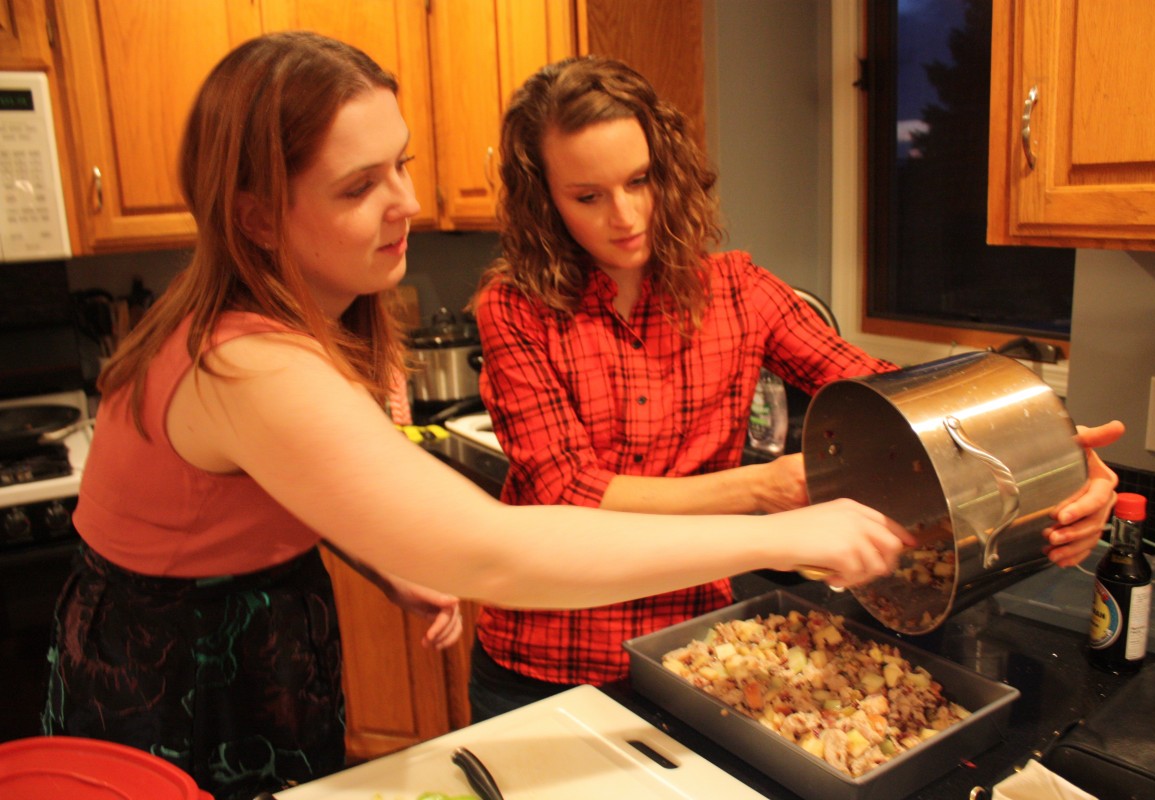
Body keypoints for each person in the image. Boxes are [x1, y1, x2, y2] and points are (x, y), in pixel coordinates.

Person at [41, 33, 924, 800]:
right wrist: (779, 528)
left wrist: (1039, 438)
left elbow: (291, 479)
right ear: (259, 216)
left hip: (264, 645)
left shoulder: (303, 319)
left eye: (403, 164)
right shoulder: (246, 361)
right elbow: (494, 548)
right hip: (180, 684)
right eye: (359, 187)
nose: (409, 205)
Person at [468, 55, 1125, 722]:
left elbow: (889, 395)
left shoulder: (736, 290)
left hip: (686, 653)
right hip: (549, 659)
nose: (627, 214)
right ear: (544, 199)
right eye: (588, 196)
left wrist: (1059, 465)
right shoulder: (515, 308)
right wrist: (760, 489)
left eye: (641, 180)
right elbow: (565, 491)